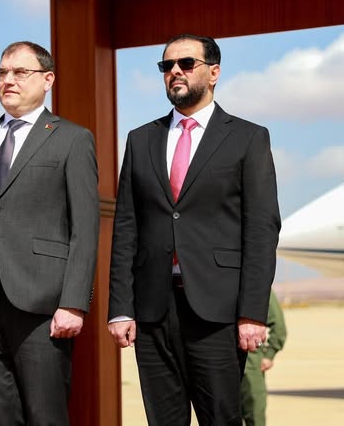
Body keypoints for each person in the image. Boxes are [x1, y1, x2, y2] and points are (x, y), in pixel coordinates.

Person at [108, 33, 281, 425]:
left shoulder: (248, 138)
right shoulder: (140, 139)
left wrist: (252, 313)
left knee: (220, 417)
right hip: (152, 310)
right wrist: (120, 308)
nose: (174, 72)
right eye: (166, 66)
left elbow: (261, 229)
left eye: (186, 64)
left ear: (214, 72)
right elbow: (126, 229)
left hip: (217, 311)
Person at [0, 41, 100, 425]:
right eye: (2, 72)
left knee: (46, 416)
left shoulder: (73, 139)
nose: (8, 80)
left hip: (44, 307)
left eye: (19, 72)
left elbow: (85, 229)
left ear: (48, 79)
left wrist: (74, 302)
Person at [241, 289, 287, 426]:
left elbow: (278, 327)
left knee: (252, 415)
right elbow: (279, 326)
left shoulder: (258, 288)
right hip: (241, 363)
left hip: (247, 363)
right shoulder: (256, 287)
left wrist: (269, 354)